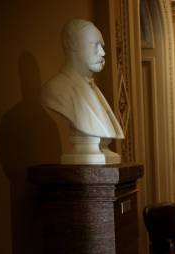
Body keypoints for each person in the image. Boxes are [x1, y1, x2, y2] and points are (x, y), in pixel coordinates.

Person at [41, 19, 124, 164]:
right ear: (72, 45)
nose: (103, 53)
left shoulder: (94, 88)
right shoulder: (54, 90)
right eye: (95, 45)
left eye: (102, 46)